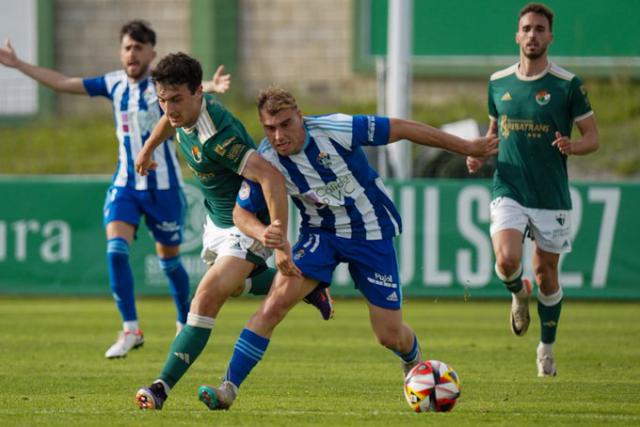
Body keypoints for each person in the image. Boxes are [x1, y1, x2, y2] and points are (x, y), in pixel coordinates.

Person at [195, 86, 500, 410]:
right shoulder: (267, 159)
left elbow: (402, 128)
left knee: (388, 334)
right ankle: (228, 388)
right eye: (270, 128)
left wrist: (468, 146)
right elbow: (240, 213)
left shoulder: (335, 128)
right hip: (321, 234)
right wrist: (264, 232)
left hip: (371, 233)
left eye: (286, 124)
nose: (279, 135)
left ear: (300, 116)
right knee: (274, 306)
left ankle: (412, 360)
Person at [0, 21, 233, 358]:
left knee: (169, 263)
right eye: (127, 47)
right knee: (115, 251)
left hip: (163, 187)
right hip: (125, 184)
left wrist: (210, 84)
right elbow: (65, 83)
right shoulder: (112, 84)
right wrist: (19, 64)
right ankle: (130, 329)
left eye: (139, 48)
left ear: (152, 52)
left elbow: (191, 94)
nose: (132, 54)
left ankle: (185, 323)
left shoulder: (162, 88)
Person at [133, 53, 333, 410]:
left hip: (246, 221)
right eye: (163, 100)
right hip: (217, 220)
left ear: (198, 93)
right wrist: (148, 147)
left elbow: (271, 176)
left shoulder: (219, 136)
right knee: (237, 286)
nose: (170, 108)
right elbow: (170, 122)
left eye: (177, 99)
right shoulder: (181, 112)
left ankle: (160, 387)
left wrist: (278, 237)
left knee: (206, 296)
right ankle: (307, 285)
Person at [466, 3, 599, 377]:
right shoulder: (498, 82)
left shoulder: (567, 85)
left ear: (550, 37)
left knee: (546, 275)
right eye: (526, 29)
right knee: (507, 261)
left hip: (550, 193)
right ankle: (516, 292)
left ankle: (547, 348)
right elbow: (493, 134)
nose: (533, 35)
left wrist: (574, 146)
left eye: (540, 29)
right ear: (517, 35)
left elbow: (594, 138)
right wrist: (477, 154)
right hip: (508, 185)